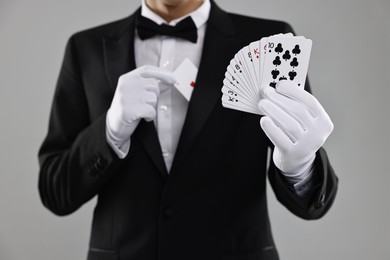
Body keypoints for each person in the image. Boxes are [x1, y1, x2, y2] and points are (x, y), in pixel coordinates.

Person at [38, 0, 338, 259]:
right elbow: (55, 192)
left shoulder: (267, 41)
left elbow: (310, 204)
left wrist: (301, 167)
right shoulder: (85, 47)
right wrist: (109, 132)